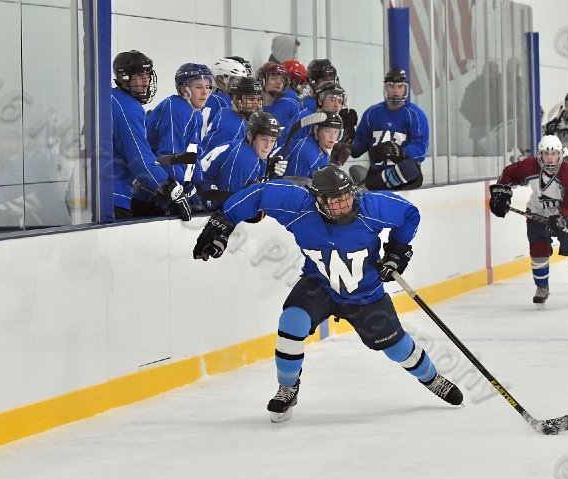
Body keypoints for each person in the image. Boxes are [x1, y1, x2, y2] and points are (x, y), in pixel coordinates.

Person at [192, 165, 464, 422]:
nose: (344, 205)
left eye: (346, 197)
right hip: (318, 286)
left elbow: (409, 214)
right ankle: (288, 388)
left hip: (365, 295)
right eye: (334, 201)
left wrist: (397, 249)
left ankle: (432, 378)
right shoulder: (299, 205)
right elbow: (258, 194)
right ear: (318, 201)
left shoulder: (371, 207)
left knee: (398, 348)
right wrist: (223, 222)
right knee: (291, 323)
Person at [489, 134, 568, 306]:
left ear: (560, 154)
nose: (550, 158)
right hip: (537, 215)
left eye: (553, 154)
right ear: (540, 154)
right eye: (546, 154)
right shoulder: (529, 166)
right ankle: (542, 288)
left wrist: (562, 218)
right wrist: (501, 192)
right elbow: (509, 174)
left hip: (565, 219)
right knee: (538, 249)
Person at [145, 62, 216, 220]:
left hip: (170, 188)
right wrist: (180, 189)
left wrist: (197, 185)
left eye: (208, 87)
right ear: (184, 89)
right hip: (154, 191)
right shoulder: (175, 108)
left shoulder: (195, 113)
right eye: (199, 87)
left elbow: (192, 154)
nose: (205, 92)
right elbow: (170, 155)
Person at [109, 50, 173, 220]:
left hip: (89, 191)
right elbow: (138, 158)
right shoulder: (127, 106)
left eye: (147, 73)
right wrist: (169, 189)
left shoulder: (110, 98)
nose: (146, 79)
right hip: (111, 195)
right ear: (124, 78)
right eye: (139, 74)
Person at [351, 69, 429, 191]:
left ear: (405, 89)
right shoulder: (372, 113)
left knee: (410, 168)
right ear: (385, 88)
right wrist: (346, 135)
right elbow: (357, 149)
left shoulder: (416, 115)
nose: (396, 90)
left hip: (404, 175)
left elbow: (421, 150)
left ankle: (365, 186)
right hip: (377, 171)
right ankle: (366, 185)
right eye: (391, 86)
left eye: (400, 86)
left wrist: (398, 151)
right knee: (355, 169)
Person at [200, 111, 286, 198]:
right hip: (202, 194)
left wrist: (269, 171)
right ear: (250, 135)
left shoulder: (254, 150)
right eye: (264, 139)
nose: (268, 146)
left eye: (272, 141)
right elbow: (230, 204)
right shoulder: (243, 158)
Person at [198, 76, 264, 175]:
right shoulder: (232, 126)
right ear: (235, 98)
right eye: (250, 99)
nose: (256, 104)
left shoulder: (229, 113)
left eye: (258, 100)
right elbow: (225, 164)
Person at [282, 111, 344, 178]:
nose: (332, 137)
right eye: (327, 131)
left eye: (336, 132)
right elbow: (294, 185)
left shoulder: (323, 150)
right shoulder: (306, 153)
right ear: (316, 130)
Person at [257, 61, 301, 127]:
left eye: (282, 80)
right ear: (262, 81)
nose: (279, 82)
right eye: (273, 78)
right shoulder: (253, 107)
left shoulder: (292, 106)